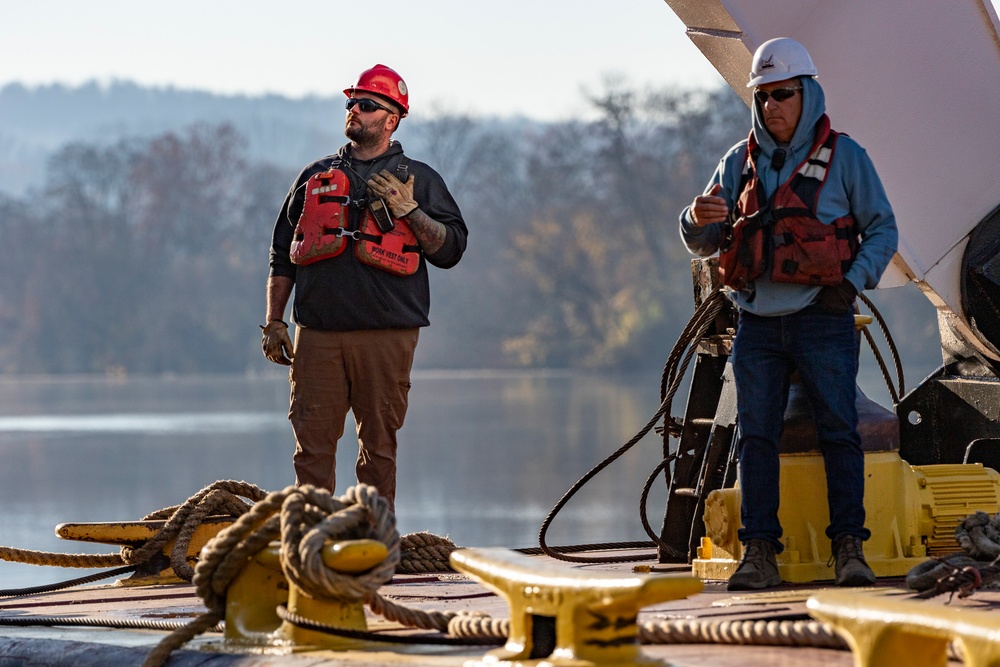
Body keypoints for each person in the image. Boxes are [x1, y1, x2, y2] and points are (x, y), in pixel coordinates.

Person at [678, 38, 898, 590]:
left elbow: (883, 231)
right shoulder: (737, 162)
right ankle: (759, 553)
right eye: (764, 95)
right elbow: (703, 240)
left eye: (784, 94)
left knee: (839, 432)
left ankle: (849, 548)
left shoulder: (848, 158)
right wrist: (694, 218)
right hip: (756, 322)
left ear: (808, 94)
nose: (772, 105)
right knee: (756, 436)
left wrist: (848, 287)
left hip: (822, 317)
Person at [261, 64, 468, 512]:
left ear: (391, 119)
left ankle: (373, 546)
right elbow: (282, 252)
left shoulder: (421, 179)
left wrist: (411, 211)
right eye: (351, 103)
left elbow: (451, 249)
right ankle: (310, 545)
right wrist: (274, 322)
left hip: (387, 334)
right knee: (311, 447)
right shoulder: (314, 176)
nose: (354, 110)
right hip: (316, 335)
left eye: (367, 104)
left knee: (378, 449)